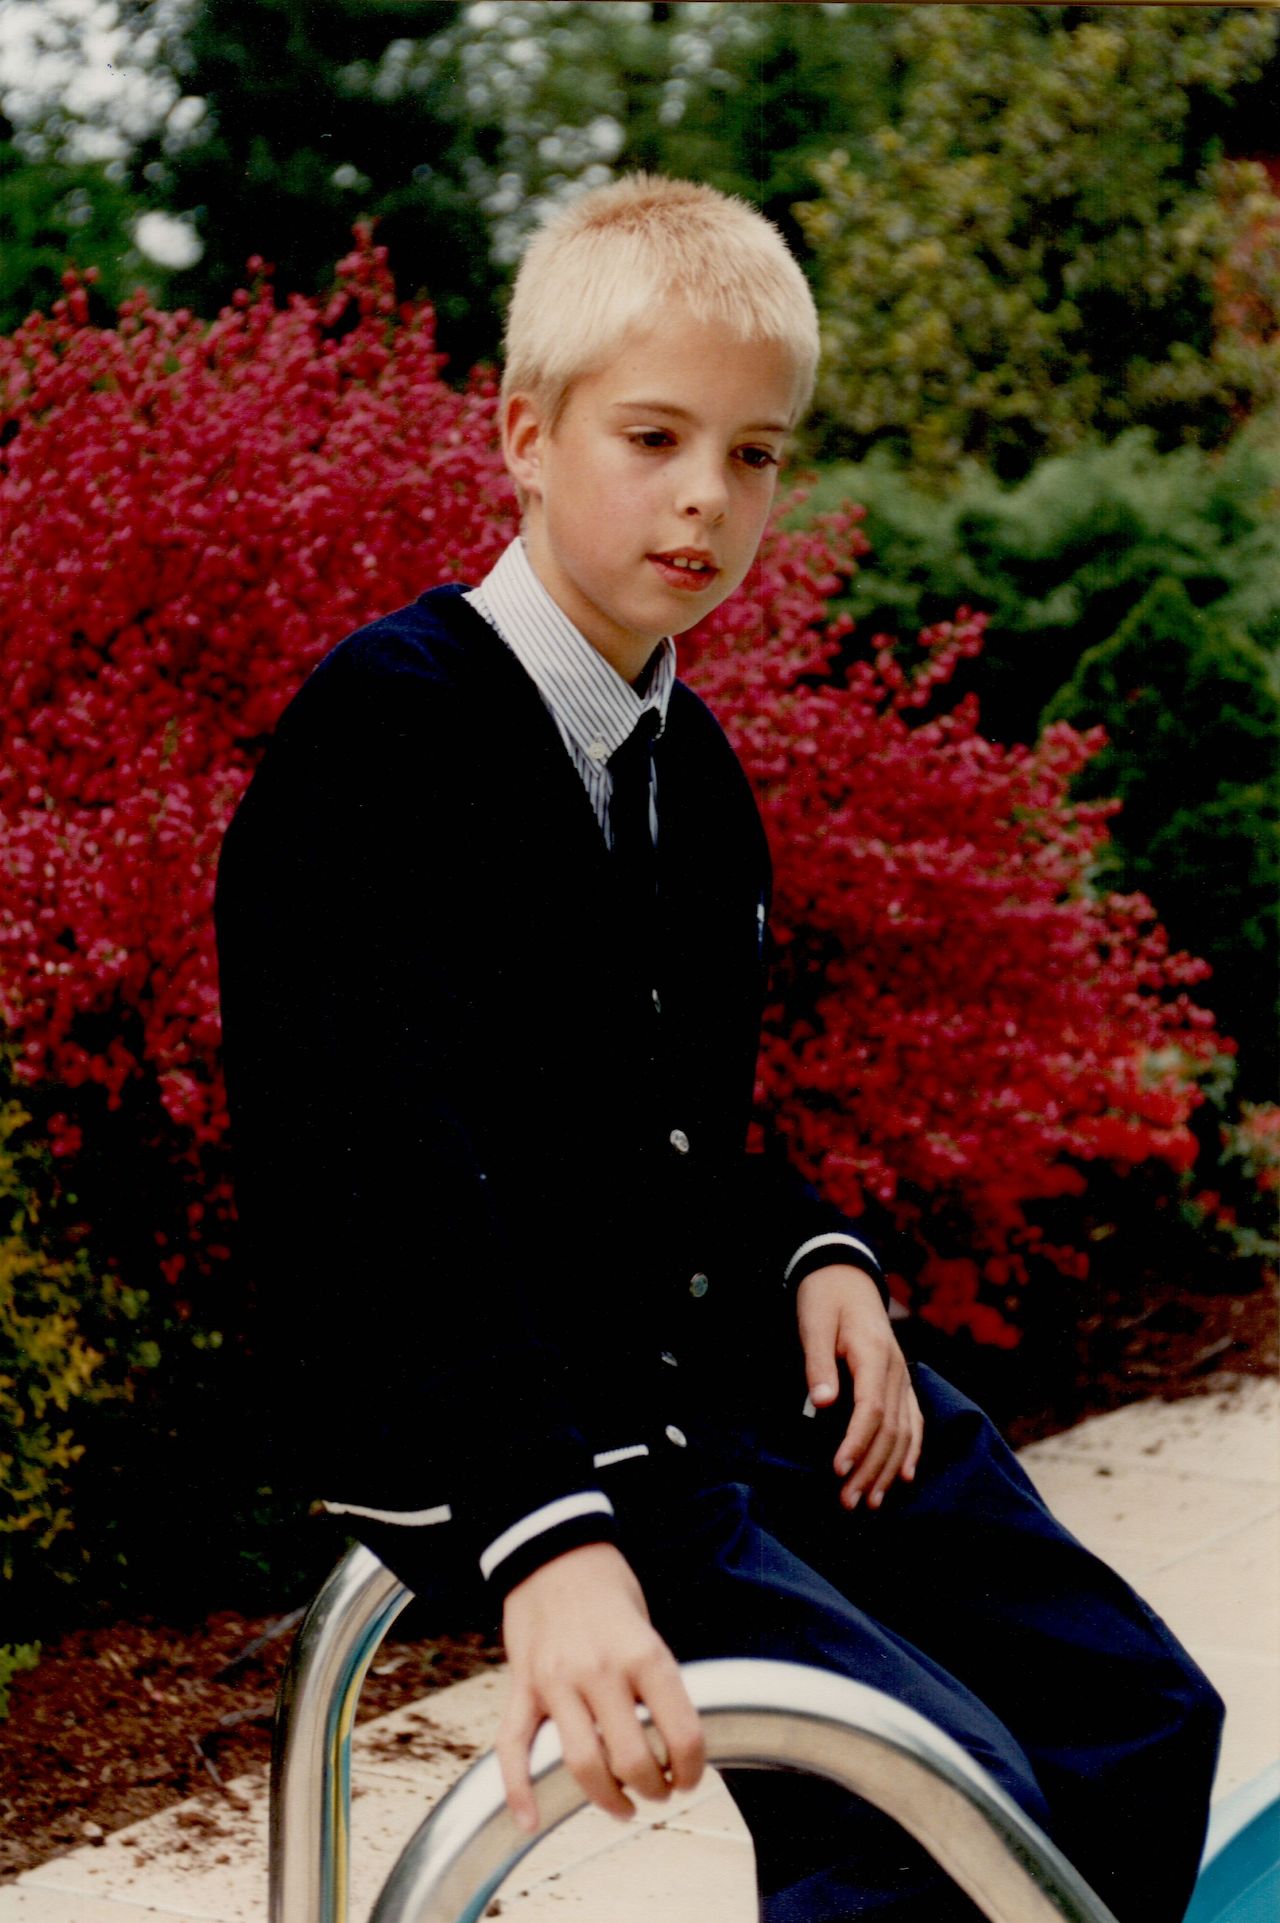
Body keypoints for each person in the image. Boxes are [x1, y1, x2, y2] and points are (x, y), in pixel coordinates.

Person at [215, 175, 1222, 1921]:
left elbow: (660, 1135)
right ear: (525, 435)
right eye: (656, 435)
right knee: (918, 1807)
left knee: (1132, 1715)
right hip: (505, 1424)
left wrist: (816, 1254)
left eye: (755, 455)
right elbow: (388, 1172)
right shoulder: (385, 742)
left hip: (705, 1379)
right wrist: (551, 1542)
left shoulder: (695, 768)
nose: (709, 496)